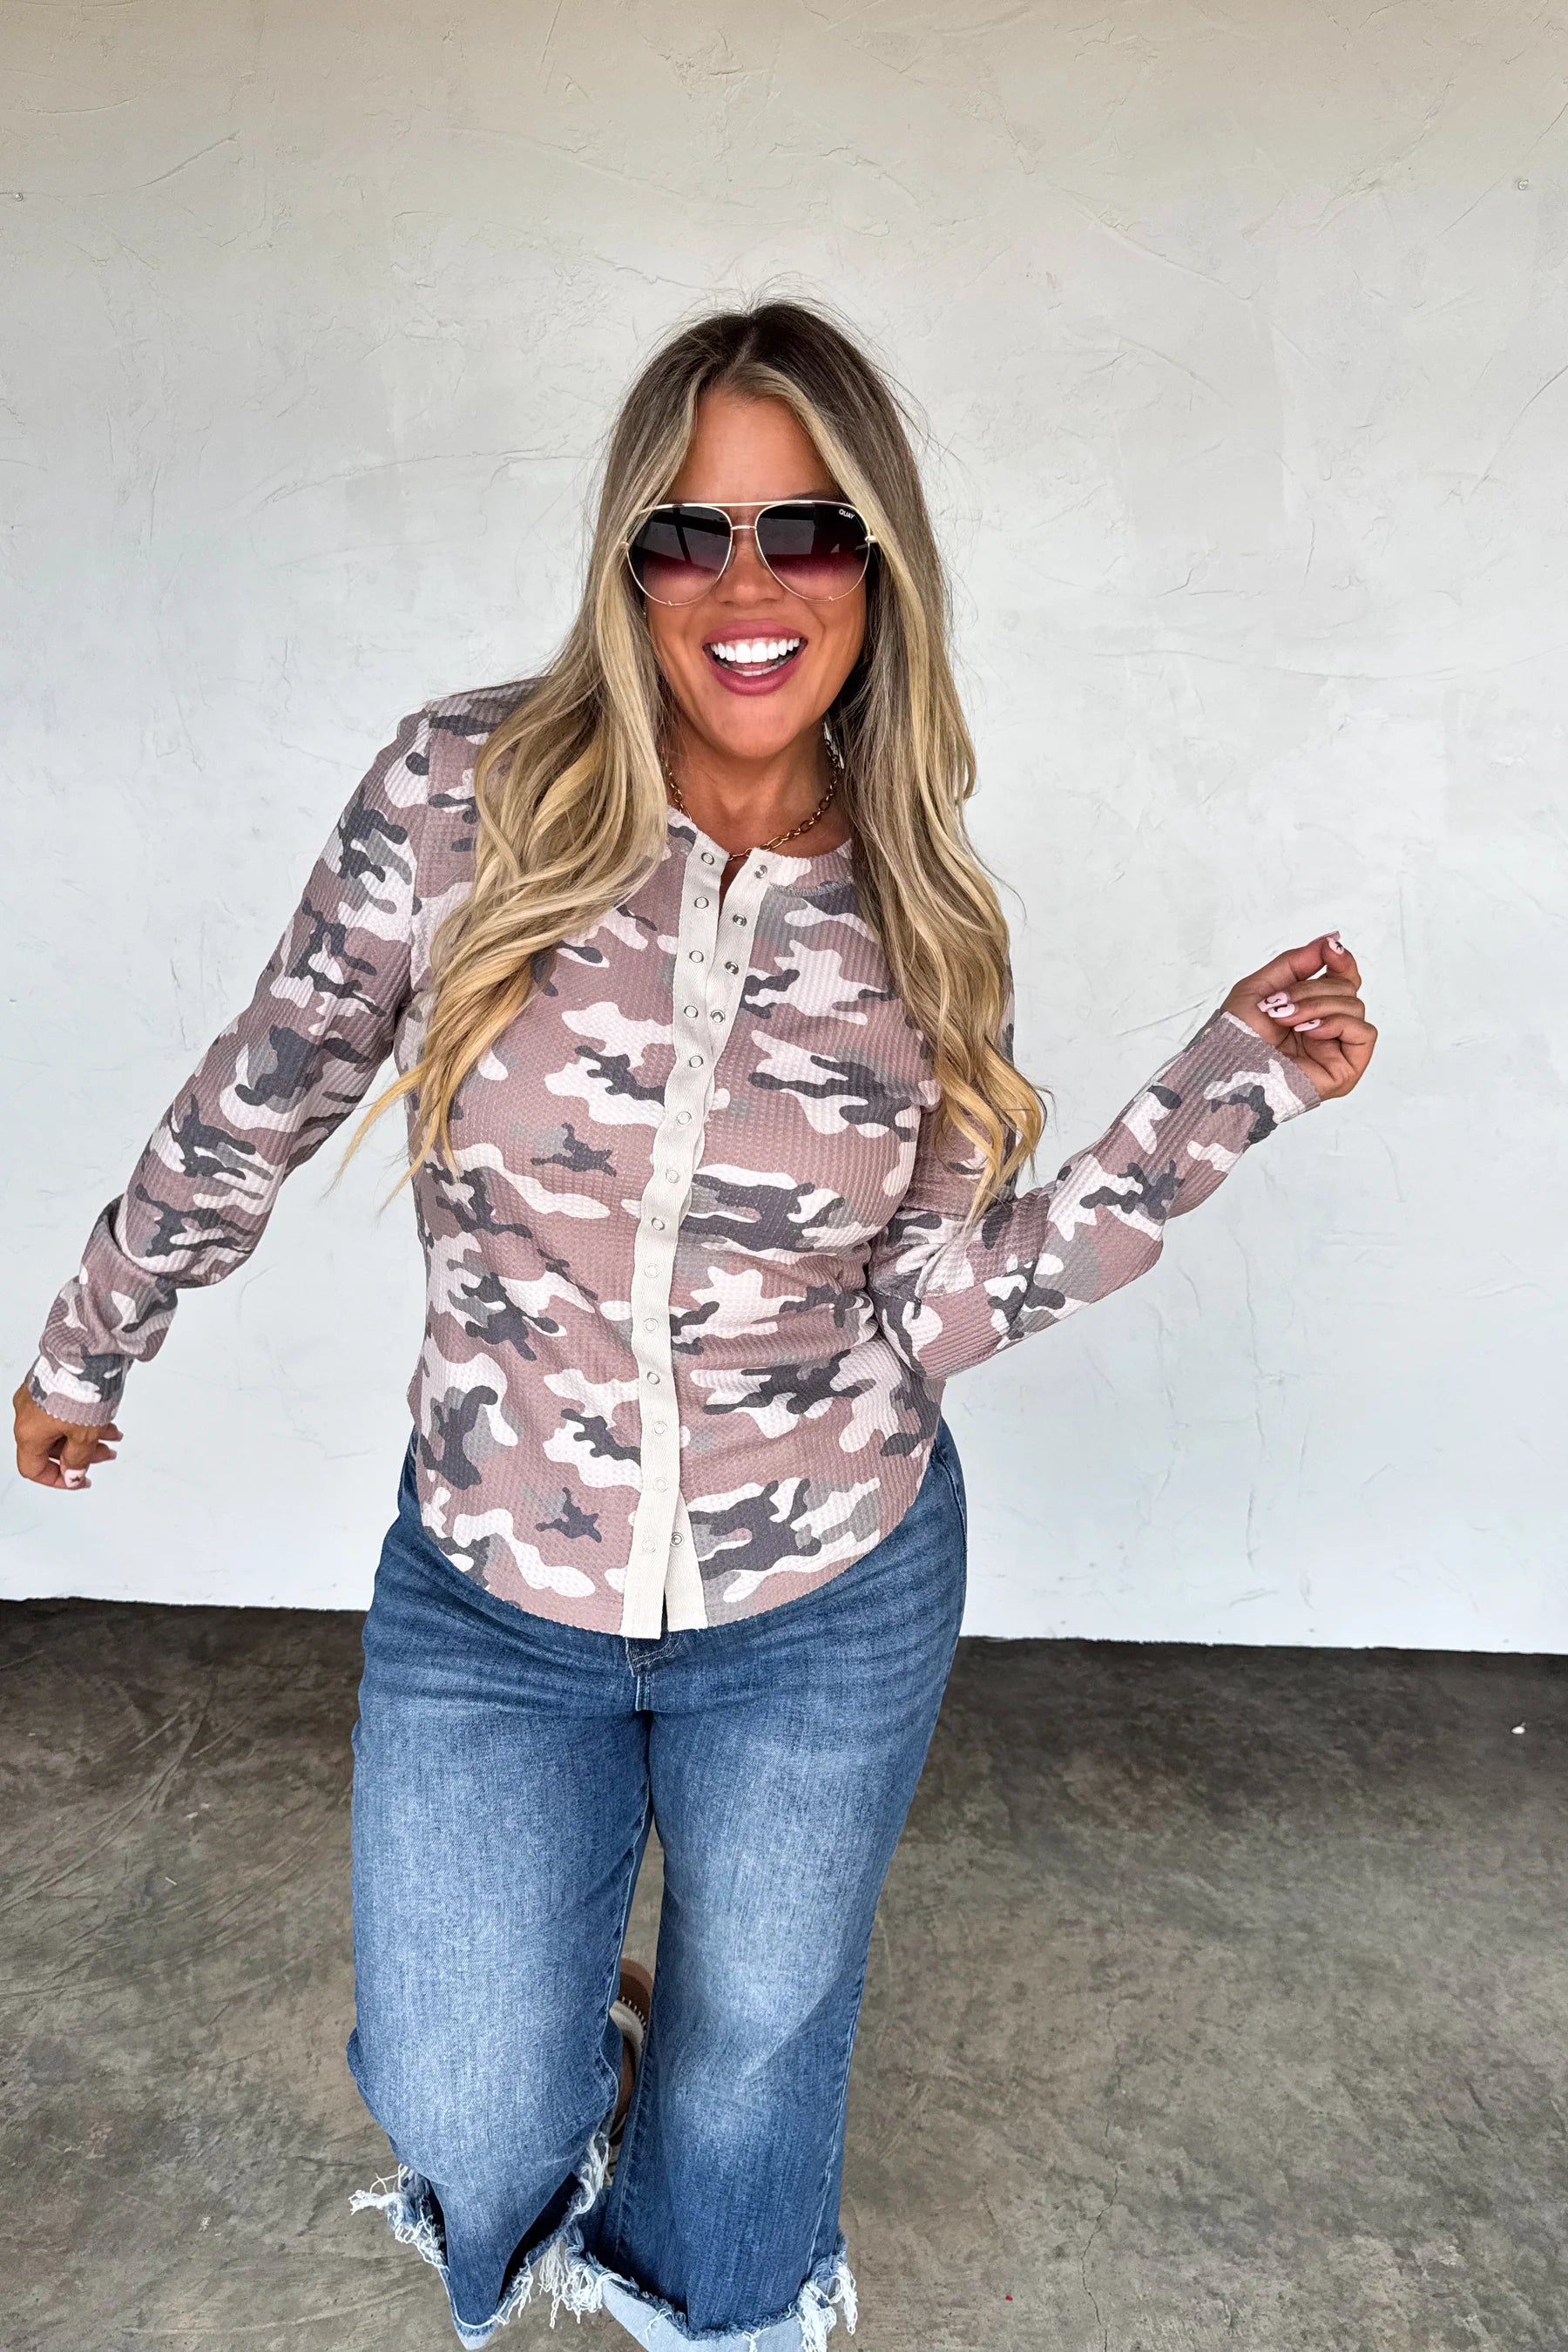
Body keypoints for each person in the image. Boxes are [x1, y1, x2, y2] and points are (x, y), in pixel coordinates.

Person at [13, 301, 1375, 2352]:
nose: (749, 587)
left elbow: (936, 1307)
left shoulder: (919, 911)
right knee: (470, 2109)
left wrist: (1221, 1095)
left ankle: (704, 2250)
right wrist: (90, 1338)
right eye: (689, 532)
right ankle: (586, 2060)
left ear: (878, 564)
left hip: (827, 1594)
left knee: (747, 2110)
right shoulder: (465, 792)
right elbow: (268, 1084)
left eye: (806, 529)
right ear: (627, 560)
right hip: (498, 1587)